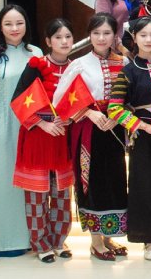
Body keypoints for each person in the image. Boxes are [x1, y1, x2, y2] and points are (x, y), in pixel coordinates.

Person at [53, 13, 130, 260]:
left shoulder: (124, 62)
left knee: (115, 179)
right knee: (92, 180)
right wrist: (88, 112)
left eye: (107, 33)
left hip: (114, 129)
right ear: (89, 35)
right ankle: (96, 242)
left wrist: (118, 116)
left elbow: (131, 95)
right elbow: (60, 99)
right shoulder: (79, 64)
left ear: (115, 35)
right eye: (96, 33)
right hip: (88, 130)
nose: (101, 38)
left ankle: (108, 236)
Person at [108, 17, 151, 260]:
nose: (148, 40)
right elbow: (114, 108)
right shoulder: (127, 71)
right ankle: (147, 239)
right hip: (142, 136)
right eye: (143, 35)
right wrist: (143, 126)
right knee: (143, 186)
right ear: (134, 38)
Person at [10, 18, 75, 263]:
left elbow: (81, 101)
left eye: (68, 36)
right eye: (58, 37)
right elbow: (17, 99)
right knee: (37, 194)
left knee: (62, 193)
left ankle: (59, 240)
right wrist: (42, 124)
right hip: (38, 133)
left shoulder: (75, 67)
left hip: (63, 136)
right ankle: (40, 243)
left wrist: (70, 118)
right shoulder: (36, 65)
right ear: (48, 41)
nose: (64, 41)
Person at [0, 4, 41, 256]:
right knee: (2, 180)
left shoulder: (35, 52)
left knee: (28, 183)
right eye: (8, 24)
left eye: (19, 23)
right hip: (0, 124)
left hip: (30, 125)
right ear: (0, 27)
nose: (14, 28)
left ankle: (31, 237)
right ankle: (2, 242)